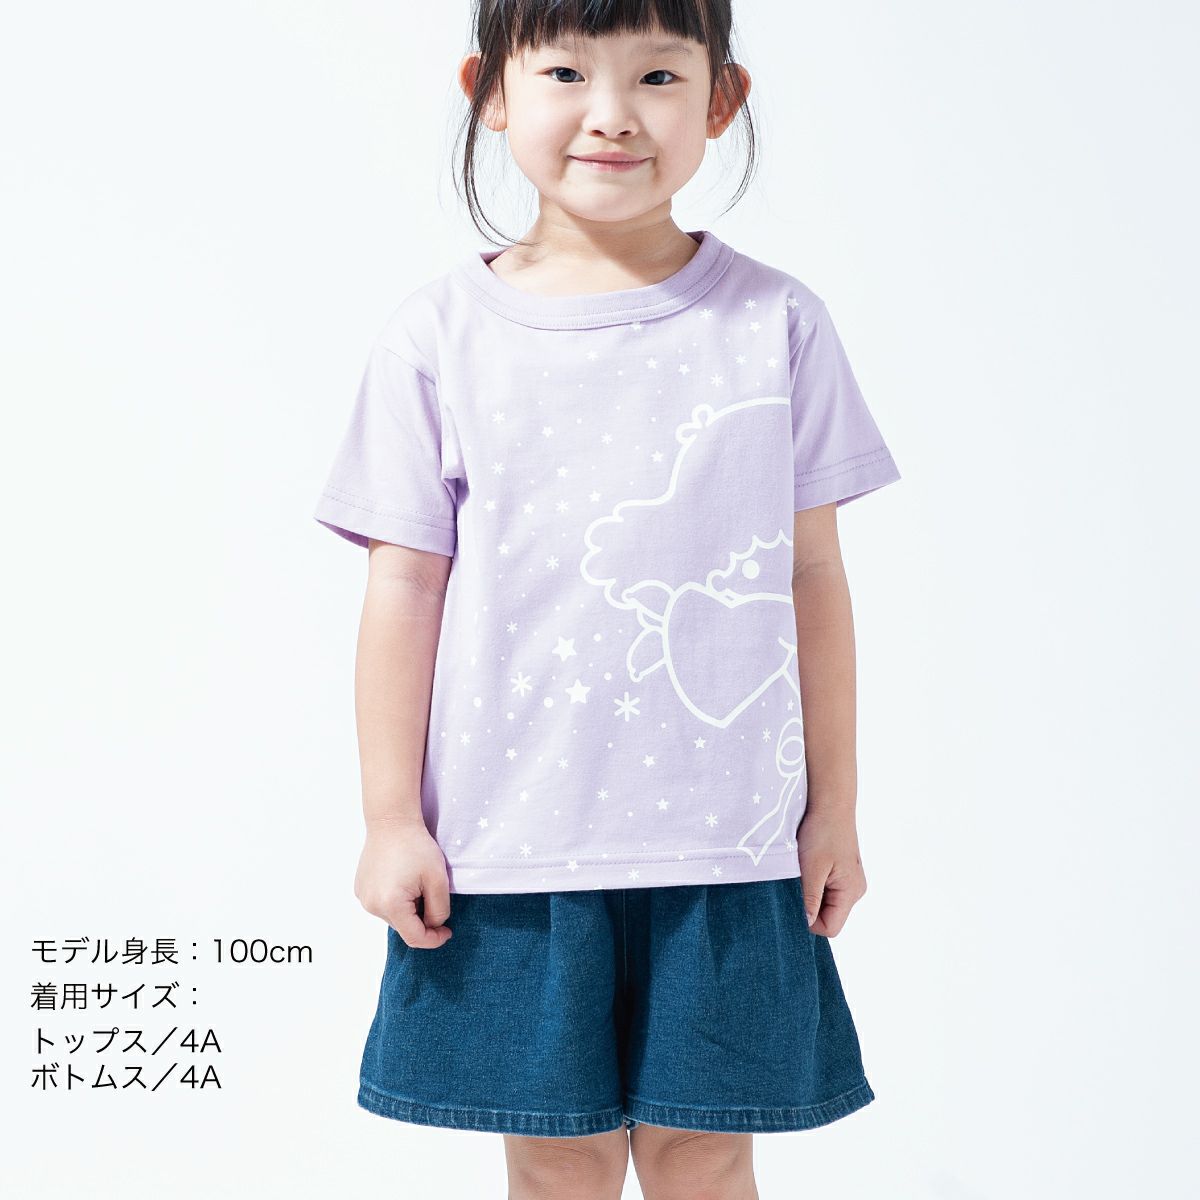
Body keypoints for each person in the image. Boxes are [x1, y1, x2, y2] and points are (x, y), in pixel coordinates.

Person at [312, 2, 902, 1196]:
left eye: (658, 76)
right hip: (511, 848)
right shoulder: (438, 337)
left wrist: (834, 807)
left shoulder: (777, 323)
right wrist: (389, 819)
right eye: (568, 73)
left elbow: (813, 578)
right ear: (492, 91)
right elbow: (404, 587)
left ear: (721, 100)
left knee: (705, 1154)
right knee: (557, 1164)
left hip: (730, 846)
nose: (613, 114)